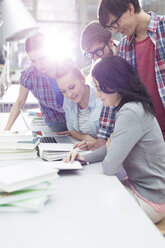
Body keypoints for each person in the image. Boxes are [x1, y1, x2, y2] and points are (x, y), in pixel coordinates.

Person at [64, 55, 165, 224]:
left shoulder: (130, 113)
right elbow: (112, 147)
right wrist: (83, 158)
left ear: (114, 84)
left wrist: (110, 150)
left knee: (86, 208)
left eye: (100, 89)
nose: (97, 95)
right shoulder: (132, 106)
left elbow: (110, 167)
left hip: (149, 200)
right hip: (146, 191)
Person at [98, 0, 165, 139]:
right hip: (147, 138)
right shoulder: (123, 47)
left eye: (115, 23)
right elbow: (115, 91)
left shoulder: (163, 29)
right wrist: (102, 137)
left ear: (130, 8)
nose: (115, 30)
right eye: (111, 27)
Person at [4, 32, 67, 132]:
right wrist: (6, 130)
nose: (39, 65)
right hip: (56, 123)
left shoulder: (66, 64)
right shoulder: (29, 74)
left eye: (42, 58)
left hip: (77, 119)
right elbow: (19, 102)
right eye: (33, 61)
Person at [76, 21, 118, 150]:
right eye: (90, 54)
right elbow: (105, 104)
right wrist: (98, 143)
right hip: (109, 136)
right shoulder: (98, 62)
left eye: (98, 51)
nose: (95, 58)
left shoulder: (125, 59)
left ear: (111, 42)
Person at [55, 60, 103, 143]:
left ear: (83, 79)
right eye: (63, 91)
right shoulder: (68, 101)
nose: (69, 95)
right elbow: (71, 129)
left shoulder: (102, 100)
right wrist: (85, 138)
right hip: (82, 145)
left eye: (72, 87)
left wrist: (94, 143)